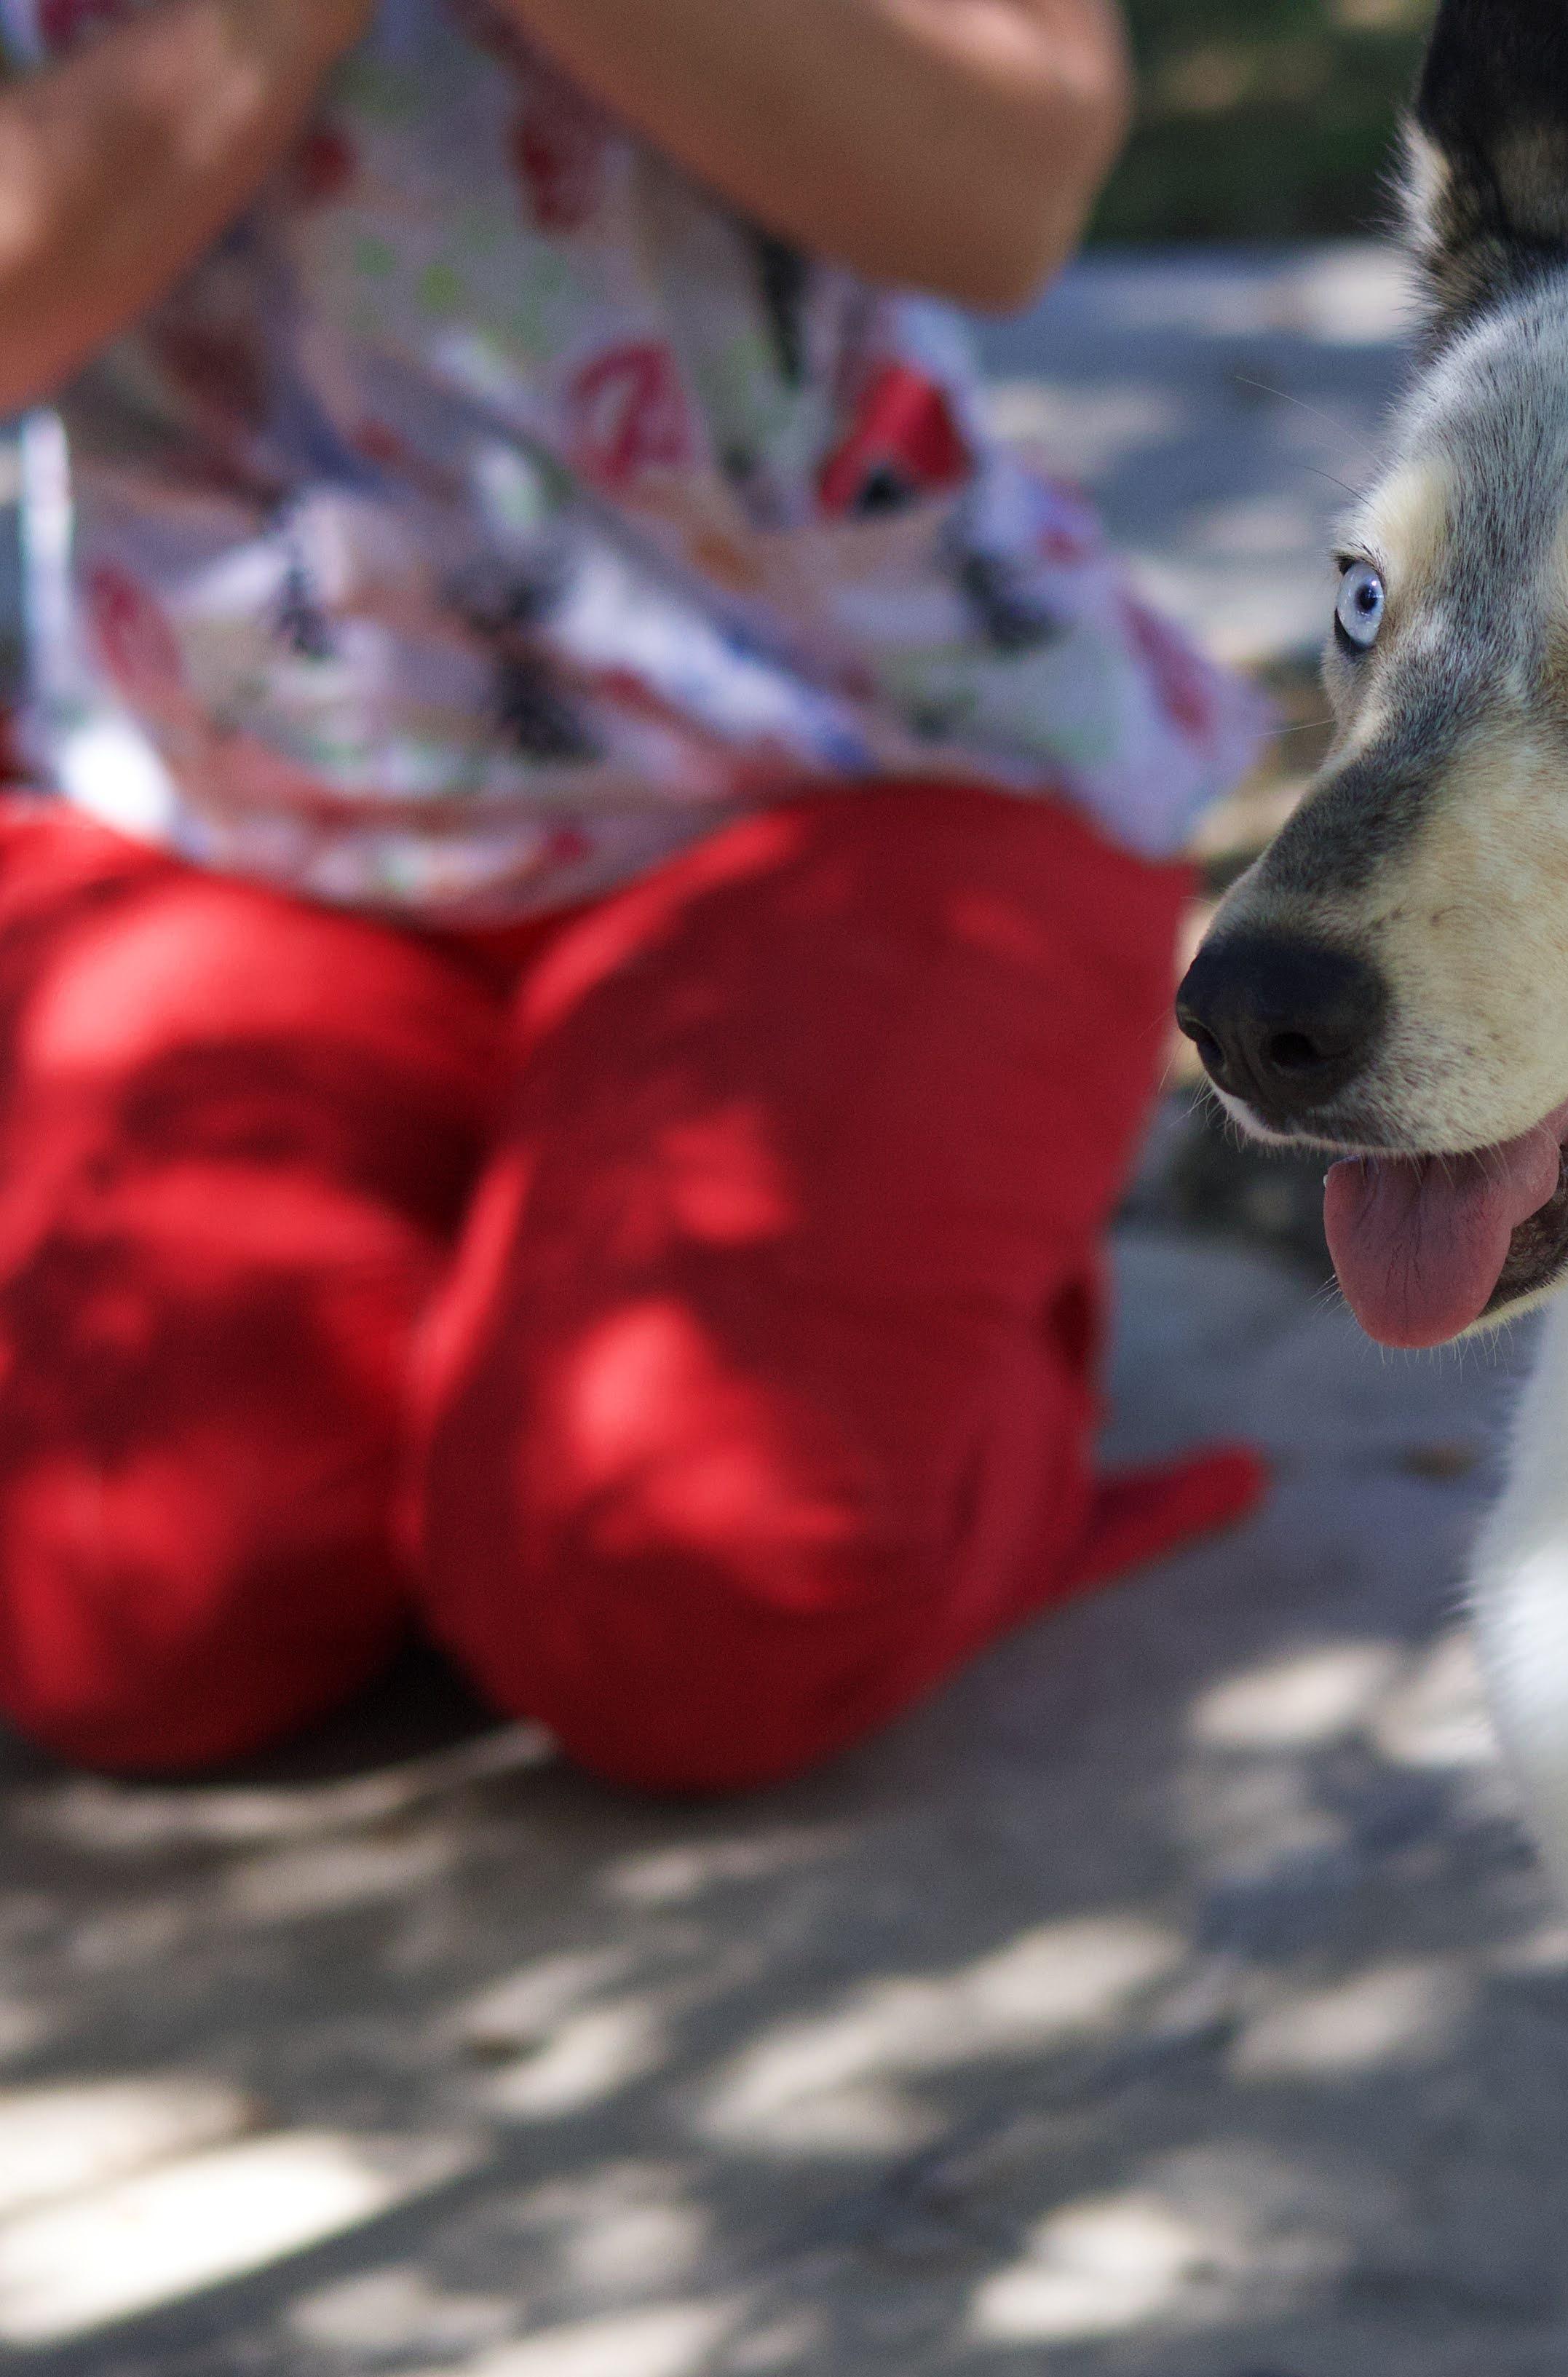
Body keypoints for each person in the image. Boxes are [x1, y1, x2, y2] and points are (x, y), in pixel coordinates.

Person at [0, 0, 1269, 1791]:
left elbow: (1003, 195)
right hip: (211, 799)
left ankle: (938, 1376)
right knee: (131, 1611)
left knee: (702, 1602)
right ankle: (503, 1320)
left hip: (867, 759)